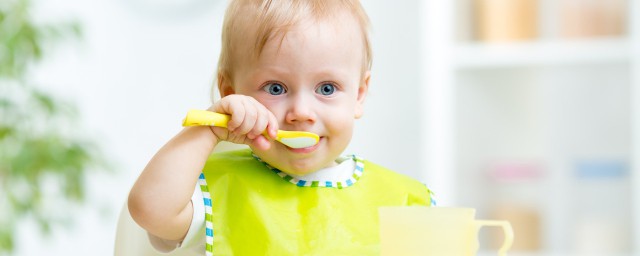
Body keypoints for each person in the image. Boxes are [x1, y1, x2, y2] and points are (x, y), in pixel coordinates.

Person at [127, 0, 434, 255]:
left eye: (327, 89)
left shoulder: (402, 201)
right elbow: (149, 210)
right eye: (275, 88)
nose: (301, 113)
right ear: (231, 92)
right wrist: (208, 130)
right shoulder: (210, 188)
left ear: (359, 95)